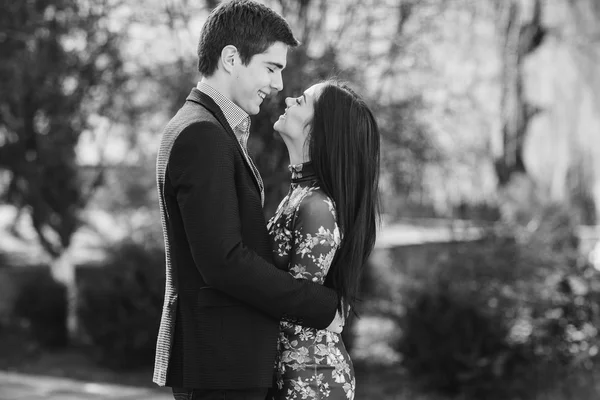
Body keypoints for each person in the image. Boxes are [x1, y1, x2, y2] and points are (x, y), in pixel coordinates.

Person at [153, 1, 343, 400]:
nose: (277, 85)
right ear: (231, 58)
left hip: (223, 362)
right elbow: (224, 261)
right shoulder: (202, 135)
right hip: (221, 365)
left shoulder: (205, 127)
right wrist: (323, 306)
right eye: (271, 68)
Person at [267, 80, 381, 400]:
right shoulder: (298, 194)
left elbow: (294, 302)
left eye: (301, 101)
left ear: (319, 132)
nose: (288, 98)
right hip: (287, 372)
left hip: (310, 380)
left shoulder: (316, 206)